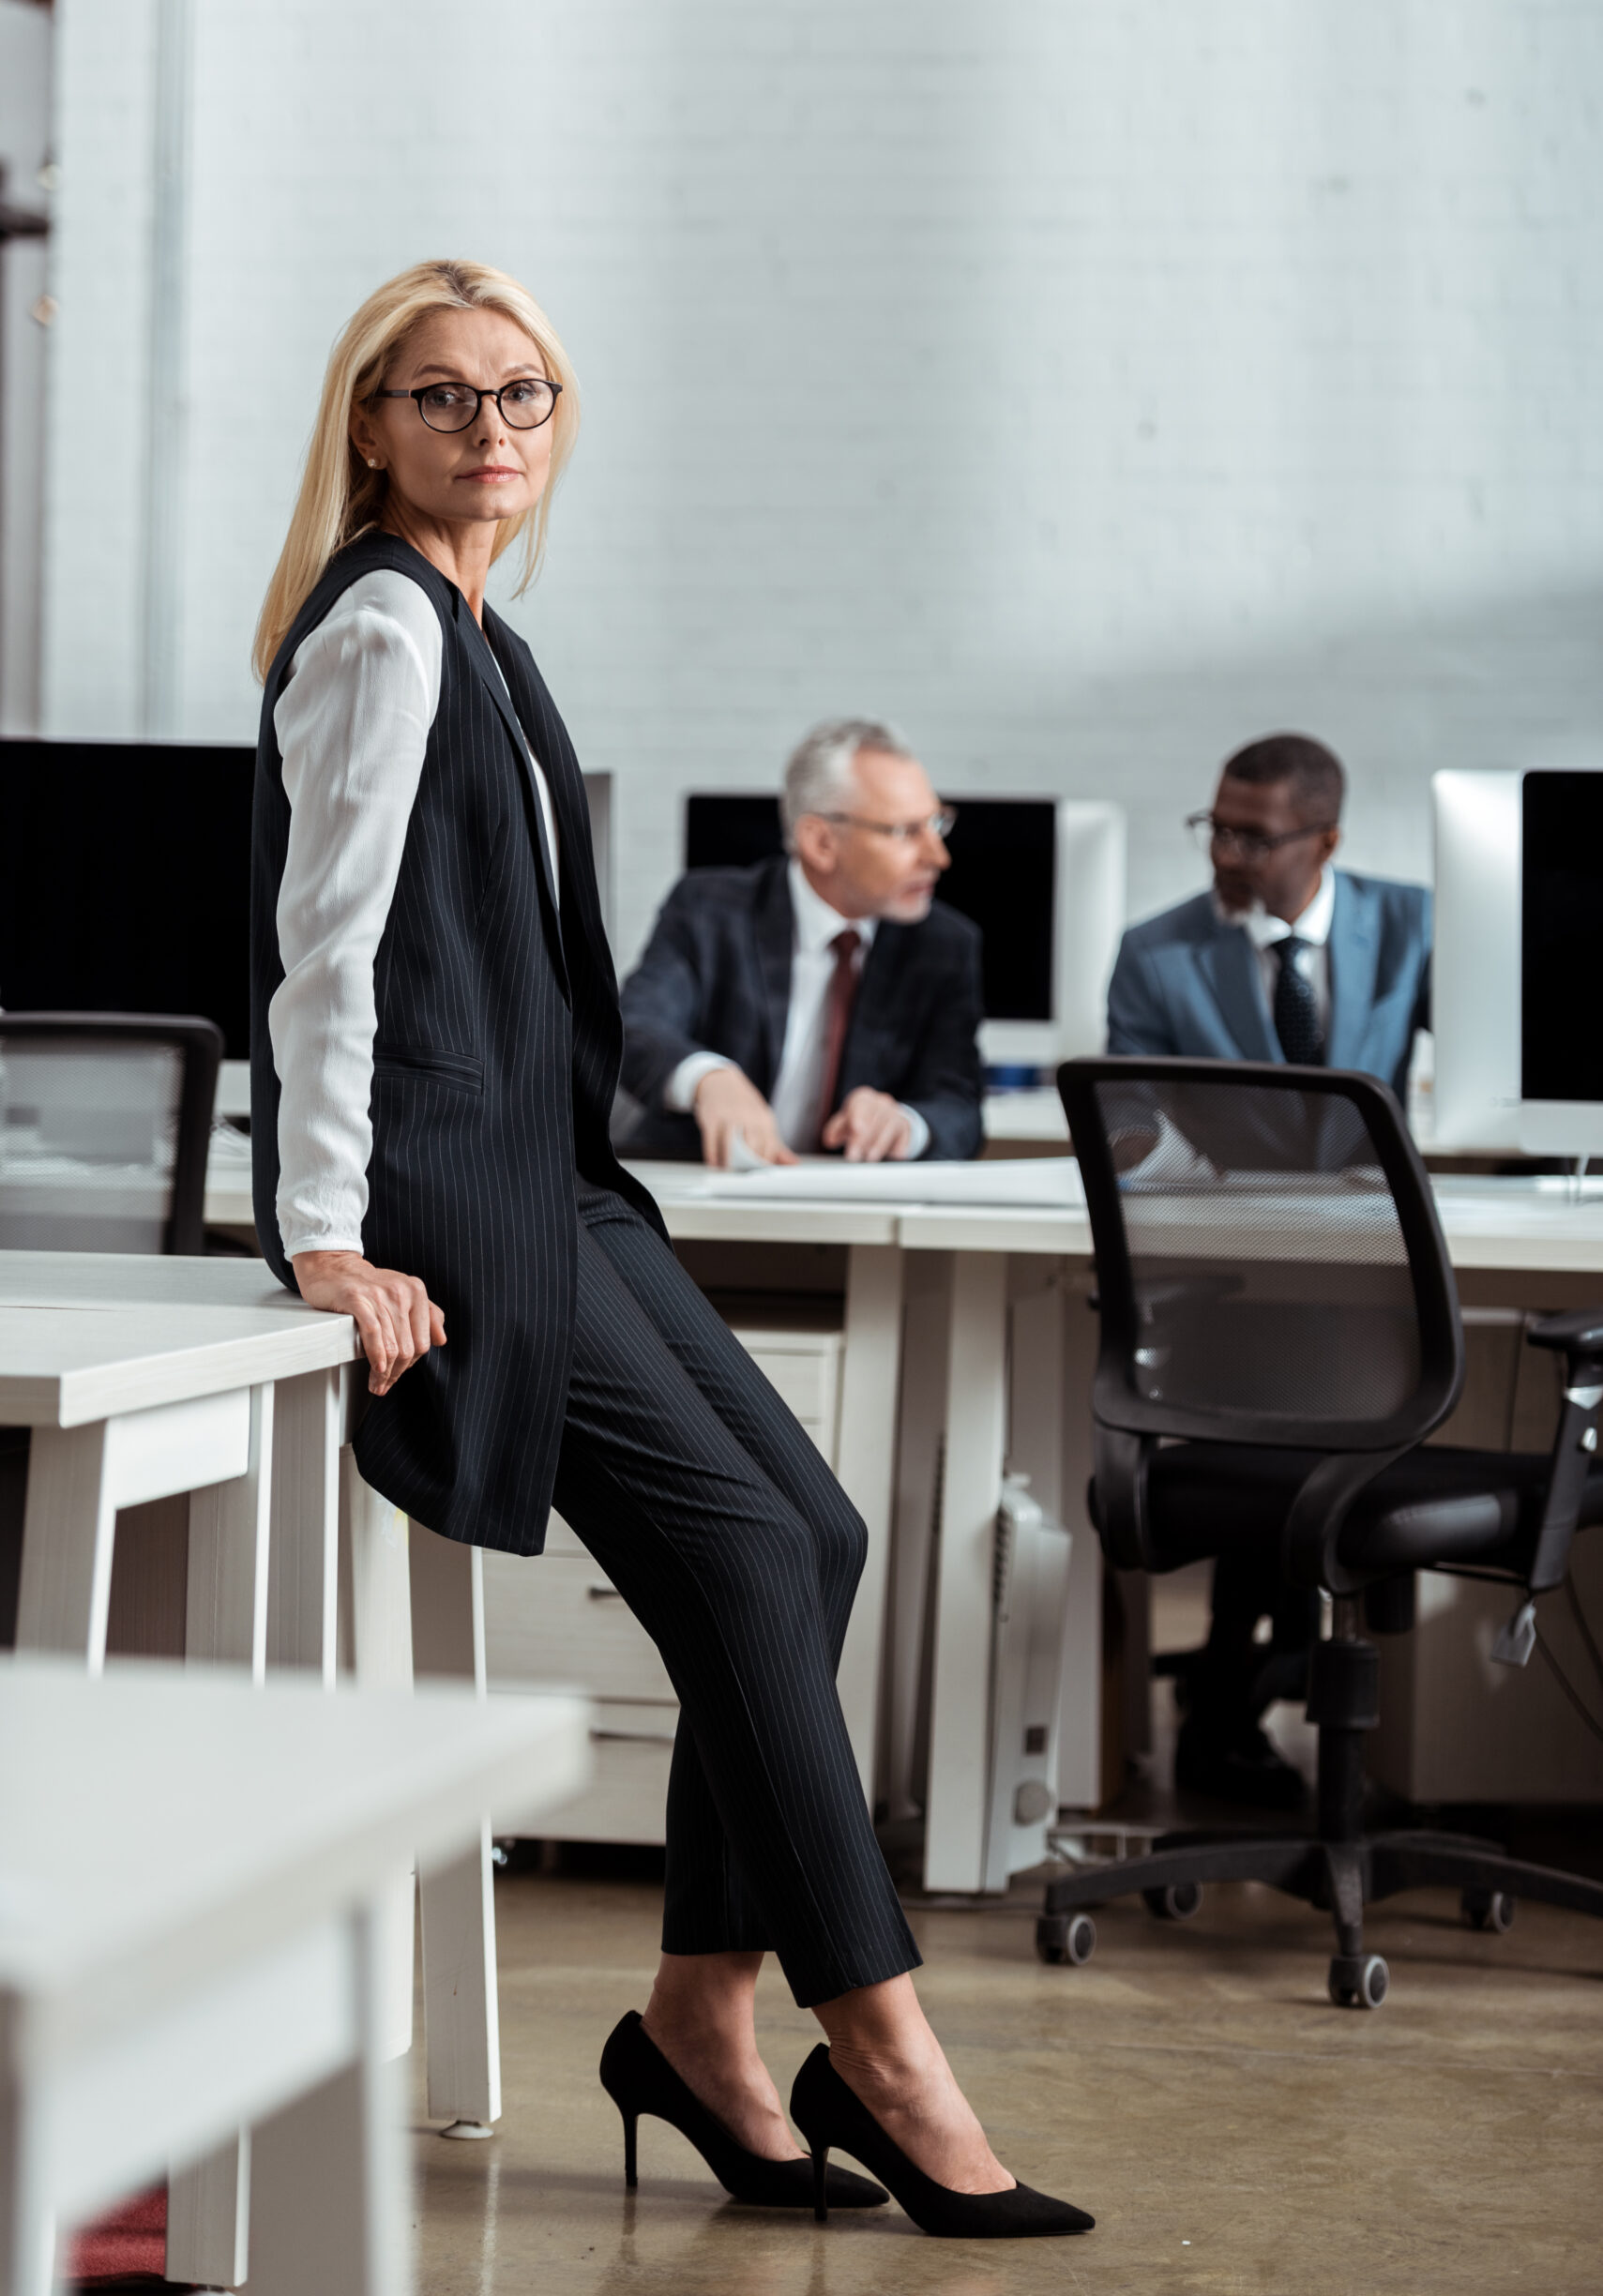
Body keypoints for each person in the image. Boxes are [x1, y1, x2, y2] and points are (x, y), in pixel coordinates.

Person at [249, 259, 1089, 2239]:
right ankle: (880, 2051)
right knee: (734, 1547)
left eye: (524, 395)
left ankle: (699, 2012)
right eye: (443, 396)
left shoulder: (479, 627)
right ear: (370, 421)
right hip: (454, 1198)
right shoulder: (380, 625)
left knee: (811, 1531)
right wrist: (317, 1237)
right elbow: (326, 948)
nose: (491, 432)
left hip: (559, 1175)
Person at [1107, 731, 1431, 1809]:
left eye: (1253, 835)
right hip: (1227, 1289)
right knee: (1291, 1406)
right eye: (1215, 827)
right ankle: (1240, 1685)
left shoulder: (1416, 927)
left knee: (1338, 1398)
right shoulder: (1156, 953)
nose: (1226, 853)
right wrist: (1153, 1154)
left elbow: (1488, 1057)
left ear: (1324, 839)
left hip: (1374, 1277)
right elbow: (1125, 1118)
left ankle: (1240, 1683)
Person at [617, 721, 983, 1166]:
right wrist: (709, 1077)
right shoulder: (709, 911)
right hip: (695, 1200)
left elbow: (959, 1103)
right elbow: (633, 1026)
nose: (938, 857)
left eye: (936, 824)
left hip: (844, 1211)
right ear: (821, 842)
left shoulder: (944, 946)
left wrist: (906, 1122)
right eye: (906, 832)